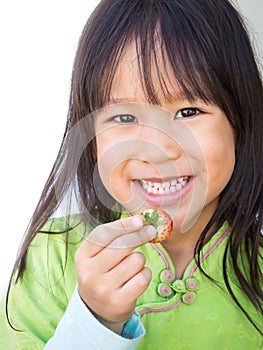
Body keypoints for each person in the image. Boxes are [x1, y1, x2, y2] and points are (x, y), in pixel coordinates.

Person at [0, 0, 262, 349]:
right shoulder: (52, 259)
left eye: (188, 111)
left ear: (239, 121)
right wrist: (95, 320)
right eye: (125, 118)